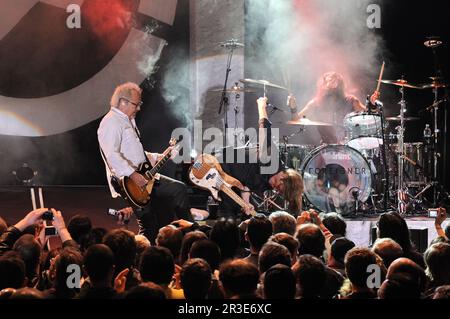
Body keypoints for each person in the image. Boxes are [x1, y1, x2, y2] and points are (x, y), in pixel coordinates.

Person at [97, 82, 193, 243]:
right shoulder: (111, 122)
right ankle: (140, 255)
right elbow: (112, 156)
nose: (139, 108)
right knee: (149, 225)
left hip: (142, 176)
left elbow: (136, 154)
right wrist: (134, 175)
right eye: (137, 104)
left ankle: (187, 234)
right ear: (123, 102)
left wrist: (159, 156)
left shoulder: (127, 120)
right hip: (129, 182)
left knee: (177, 191)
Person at [288, 71, 380, 143]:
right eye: (327, 82)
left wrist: (372, 105)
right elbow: (296, 119)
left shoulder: (351, 100)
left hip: (347, 147)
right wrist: (293, 108)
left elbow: (369, 116)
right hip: (325, 148)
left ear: (339, 86)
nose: (330, 85)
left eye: (333, 82)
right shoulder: (316, 102)